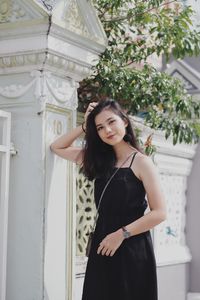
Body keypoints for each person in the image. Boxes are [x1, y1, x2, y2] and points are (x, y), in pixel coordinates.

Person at [50, 99, 167, 300]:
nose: (108, 130)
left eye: (112, 122)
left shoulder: (142, 163)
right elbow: (57, 147)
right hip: (102, 245)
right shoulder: (98, 160)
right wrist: (84, 126)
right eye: (100, 127)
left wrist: (121, 235)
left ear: (125, 122)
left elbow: (160, 213)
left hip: (132, 246)